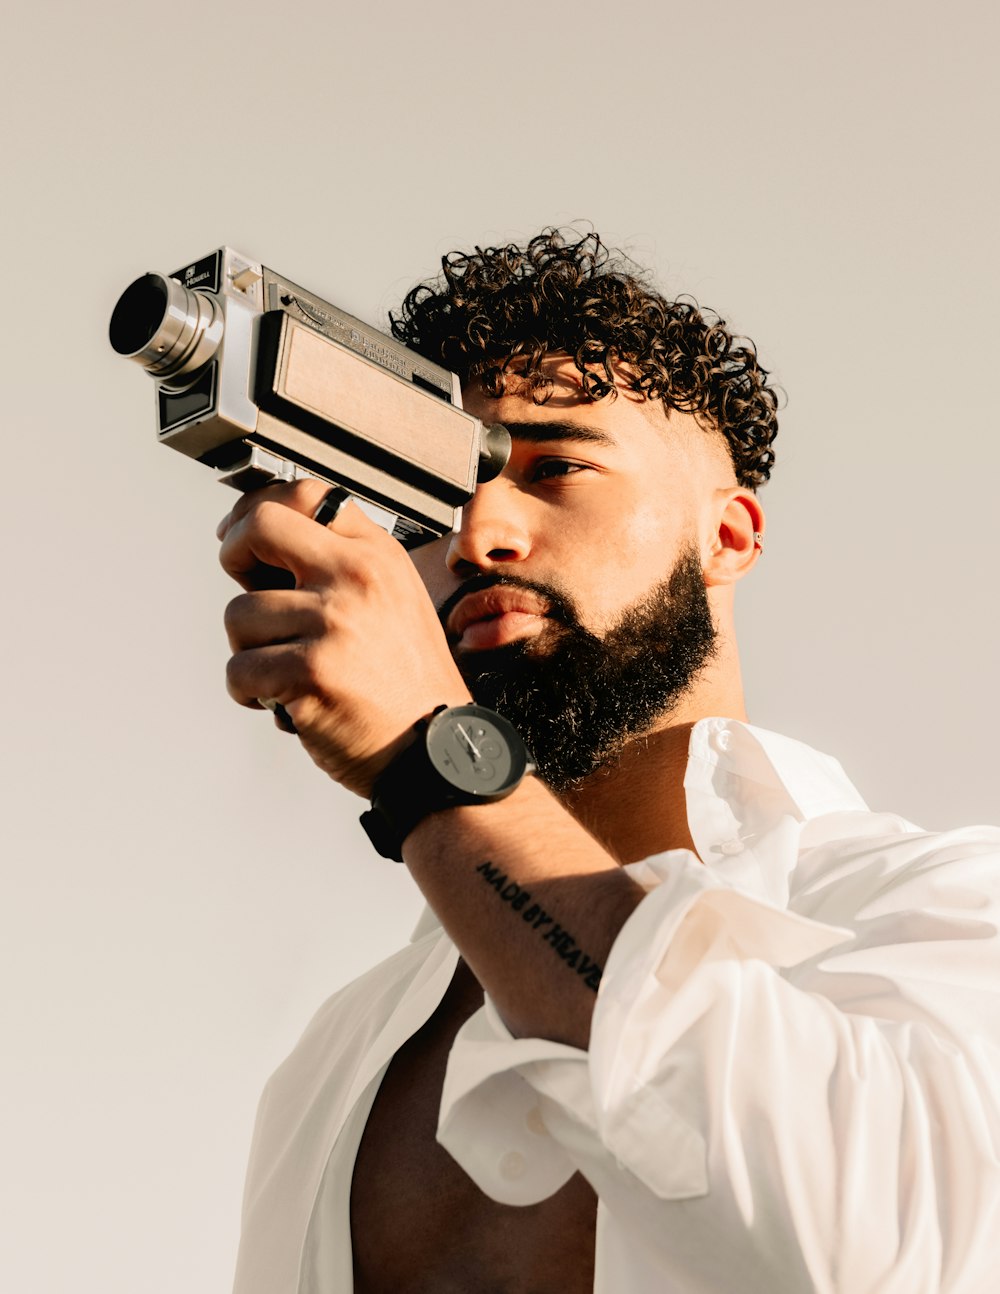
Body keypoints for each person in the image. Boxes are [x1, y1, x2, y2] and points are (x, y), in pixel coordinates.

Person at [219, 230, 1000, 1293]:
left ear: (728, 535)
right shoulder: (336, 1059)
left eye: (556, 466)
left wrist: (428, 762)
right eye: (430, 499)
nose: (478, 532)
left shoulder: (938, 910)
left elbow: (860, 1252)